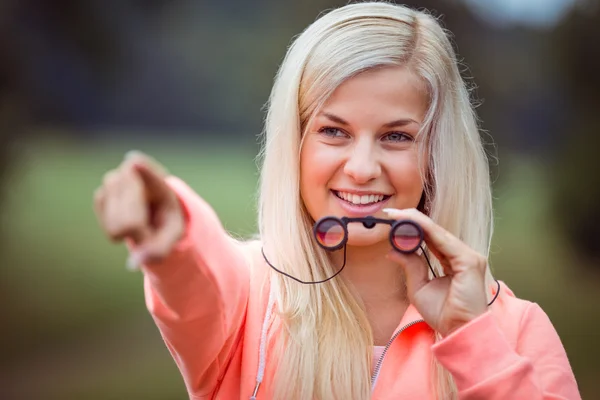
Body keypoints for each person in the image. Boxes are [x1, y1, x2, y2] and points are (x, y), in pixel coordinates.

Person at [93, 2, 580, 399]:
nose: (363, 167)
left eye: (395, 136)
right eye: (333, 131)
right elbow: (196, 273)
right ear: (295, 145)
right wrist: (171, 226)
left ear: (437, 153)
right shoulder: (249, 300)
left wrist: (472, 338)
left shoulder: (517, 330)